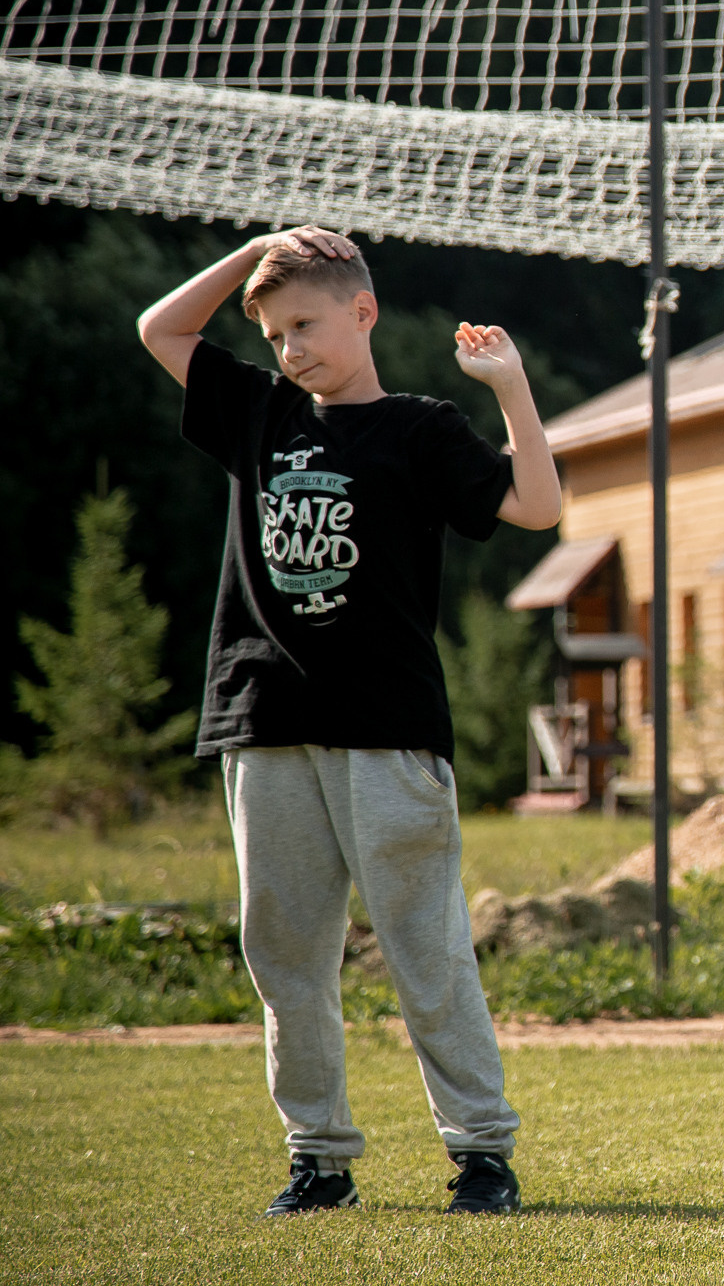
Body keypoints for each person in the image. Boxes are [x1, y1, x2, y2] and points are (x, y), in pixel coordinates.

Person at [136, 227, 563, 1214]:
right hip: (264, 720)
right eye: (277, 333)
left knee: (425, 944)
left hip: (389, 731)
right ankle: (319, 1158)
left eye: (307, 326)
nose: (290, 350)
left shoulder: (419, 429)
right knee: (284, 951)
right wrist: (252, 255)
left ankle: (482, 1154)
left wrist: (510, 388)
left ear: (363, 312)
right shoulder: (257, 412)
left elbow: (536, 507)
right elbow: (160, 326)